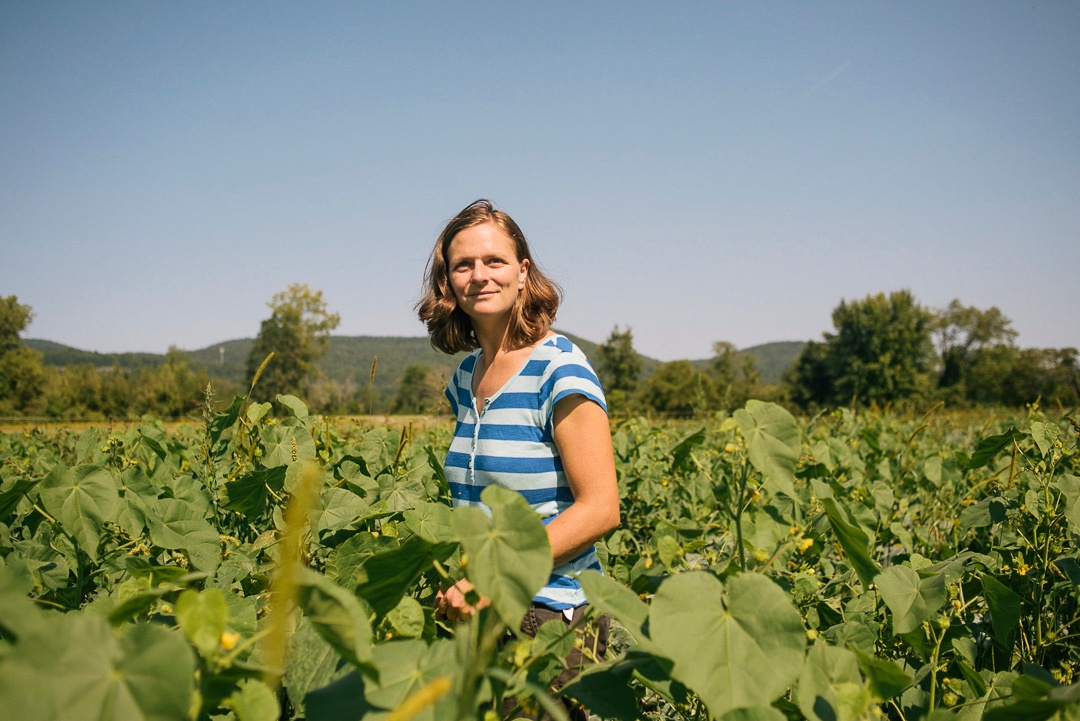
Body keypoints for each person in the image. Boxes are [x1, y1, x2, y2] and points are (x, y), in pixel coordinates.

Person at [417, 198, 620, 718]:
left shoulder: (559, 367)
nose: (479, 276)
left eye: (494, 261)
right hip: (481, 612)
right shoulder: (466, 378)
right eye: (463, 265)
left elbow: (600, 509)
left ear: (523, 271)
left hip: (550, 616)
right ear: (448, 282)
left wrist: (493, 579)